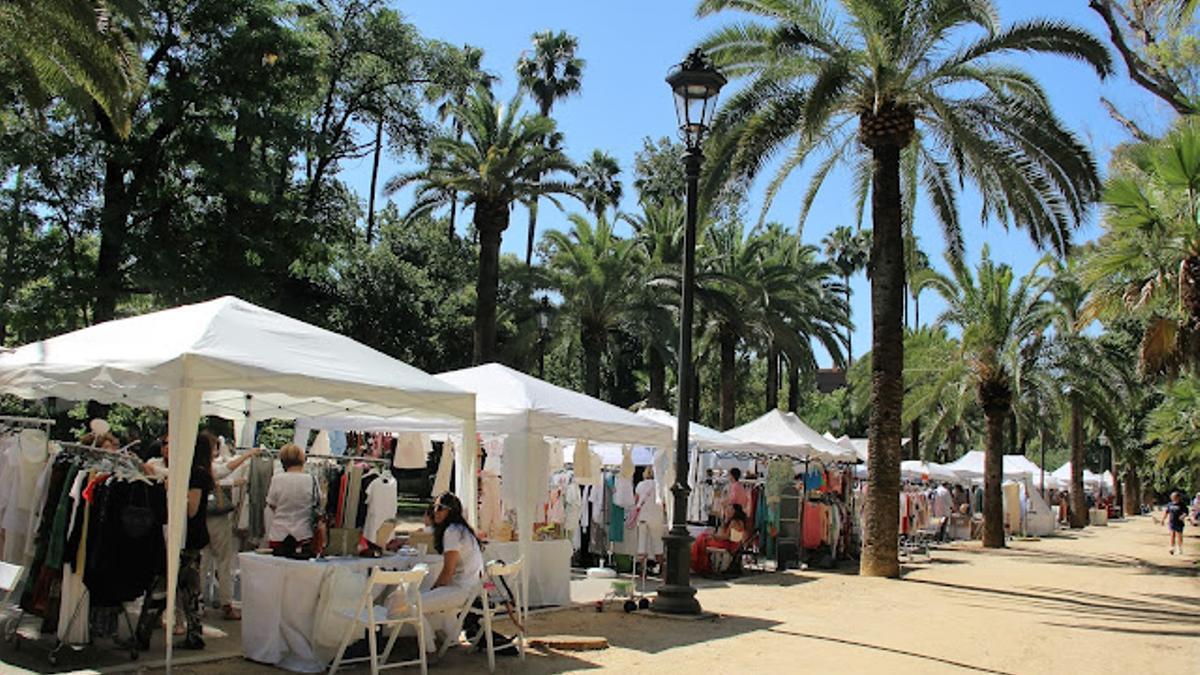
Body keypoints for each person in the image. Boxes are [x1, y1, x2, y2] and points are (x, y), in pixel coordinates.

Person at [135, 433, 214, 650]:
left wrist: (172, 488)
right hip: (189, 538)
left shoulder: (196, 474)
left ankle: (142, 635)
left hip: (185, 538)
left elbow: (191, 509)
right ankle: (194, 635)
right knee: (189, 589)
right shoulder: (198, 472)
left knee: (162, 586)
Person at [393, 492, 484, 654]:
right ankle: (452, 638)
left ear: (451, 511)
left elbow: (447, 572)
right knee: (436, 600)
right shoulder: (462, 530)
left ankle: (429, 648)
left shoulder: (452, 532)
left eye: (440, 508)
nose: (435, 511)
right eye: (434, 507)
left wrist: (434, 589)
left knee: (412, 604)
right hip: (471, 589)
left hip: (462, 590)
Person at [204, 439, 260, 620]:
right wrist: (248, 455)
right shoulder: (206, 468)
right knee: (223, 560)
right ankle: (226, 603)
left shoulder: (192, 467)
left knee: (203, 561)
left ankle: (198, 602)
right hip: (216, 519)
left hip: (199, 520)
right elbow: (225, 469)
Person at [266, 443, 319, 557]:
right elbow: (316, 503)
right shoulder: (312, 480)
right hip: (303, 533)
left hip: (278, 533)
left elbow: (272, 503)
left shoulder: (277, 479)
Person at [690, 504, 749, 575]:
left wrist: (714, 536)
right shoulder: (735, 521)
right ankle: (700, 564)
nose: (727, 511)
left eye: (730, 510)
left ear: (734, 511)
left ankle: (697, 563)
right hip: (729, 543)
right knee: (702, 538)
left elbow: (728, 537)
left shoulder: (735, 522)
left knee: (702, 539)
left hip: (729, 544)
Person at [635, 466, 665, 576]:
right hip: (656, 516)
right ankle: (662, 570)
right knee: (658, 543)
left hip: (643, 516)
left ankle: (642, 571)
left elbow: (636, 500)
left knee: (642, 543)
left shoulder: (640, 485)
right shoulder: (659, 486)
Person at [1165, 491, 1187, 556]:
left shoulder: (1182, 505)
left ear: (1178, 497)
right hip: (1171, 522)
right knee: (1172, 535)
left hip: (1179, 523)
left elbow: (1186, 512)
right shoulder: (1170, 504)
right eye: (1172, 497)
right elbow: (1166, 512)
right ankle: (1172, 548)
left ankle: (1180, 548)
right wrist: (1163, 520)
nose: (1173, 498)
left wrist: (1183, 516)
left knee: (1179, 536)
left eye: (1174, 497)